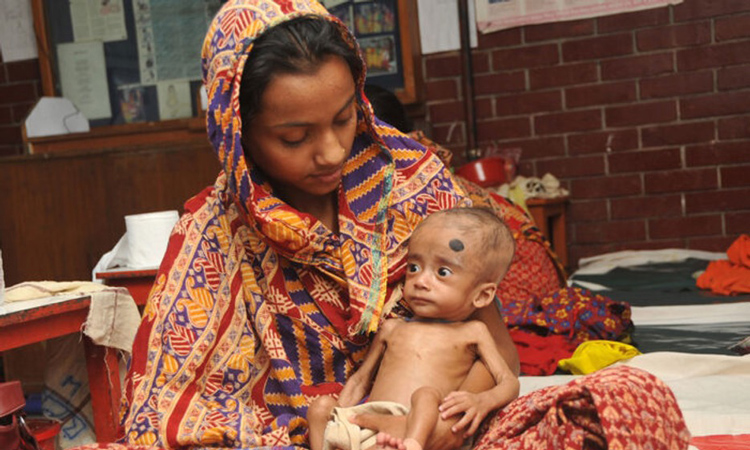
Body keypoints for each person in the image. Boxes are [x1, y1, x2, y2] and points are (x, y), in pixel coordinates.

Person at [107, 2, 689, 450]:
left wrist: (461, 415)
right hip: (317, 436)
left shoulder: (412, 181)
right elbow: (170, 411)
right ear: (235, 134)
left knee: (631, 399)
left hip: (448, 432)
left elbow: (500, 364)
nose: (332, 152)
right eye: (294, 137)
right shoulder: (216, 236)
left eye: (343, 118)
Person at [307, 208, 520, 450]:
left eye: (442, 272)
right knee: (320, 407)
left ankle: (412, 445)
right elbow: (360, 381)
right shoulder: (392, 328)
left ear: (482, 295)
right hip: (369, 421)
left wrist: (482, 401)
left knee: (426, 395)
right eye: (414, 267)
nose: (420, 281)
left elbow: (509, 382)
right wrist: (342, 417)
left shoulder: (474, 332)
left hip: (416, 425)